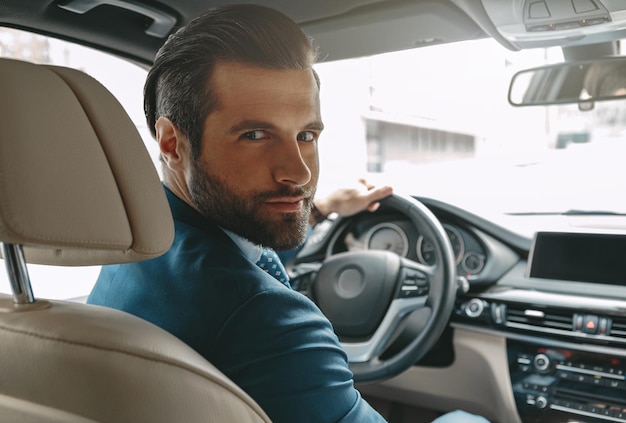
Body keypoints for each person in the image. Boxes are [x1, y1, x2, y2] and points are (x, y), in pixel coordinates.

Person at [88, 4, 488, 423]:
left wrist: (321, 208)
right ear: (172, 143)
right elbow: (247, 293)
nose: (298, 172)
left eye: (306, 135)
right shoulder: (269, 322)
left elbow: (241, 256)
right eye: (255, 135)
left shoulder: (139, 246)